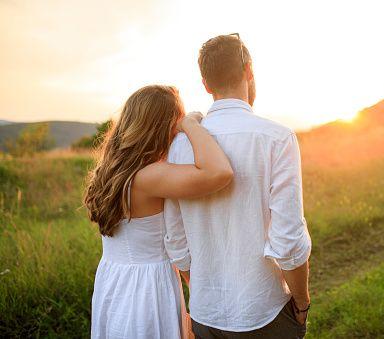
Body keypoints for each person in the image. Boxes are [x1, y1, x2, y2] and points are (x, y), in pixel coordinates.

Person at [164, 34, 312, 338]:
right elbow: (286, 241)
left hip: (206, 315)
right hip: (265, 313)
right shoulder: (278, 139)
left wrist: (207, 292)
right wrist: (302, 301)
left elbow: (176, 240)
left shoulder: (179, 147)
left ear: (205, 84)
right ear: (249, 71)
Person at [85, 85, 233, 339]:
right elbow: (220, 172)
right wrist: (192, 125)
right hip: (146, 290)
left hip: (114, 280)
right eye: (177, 123)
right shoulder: (148, 175)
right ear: (163, 127)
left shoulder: (112, 171)